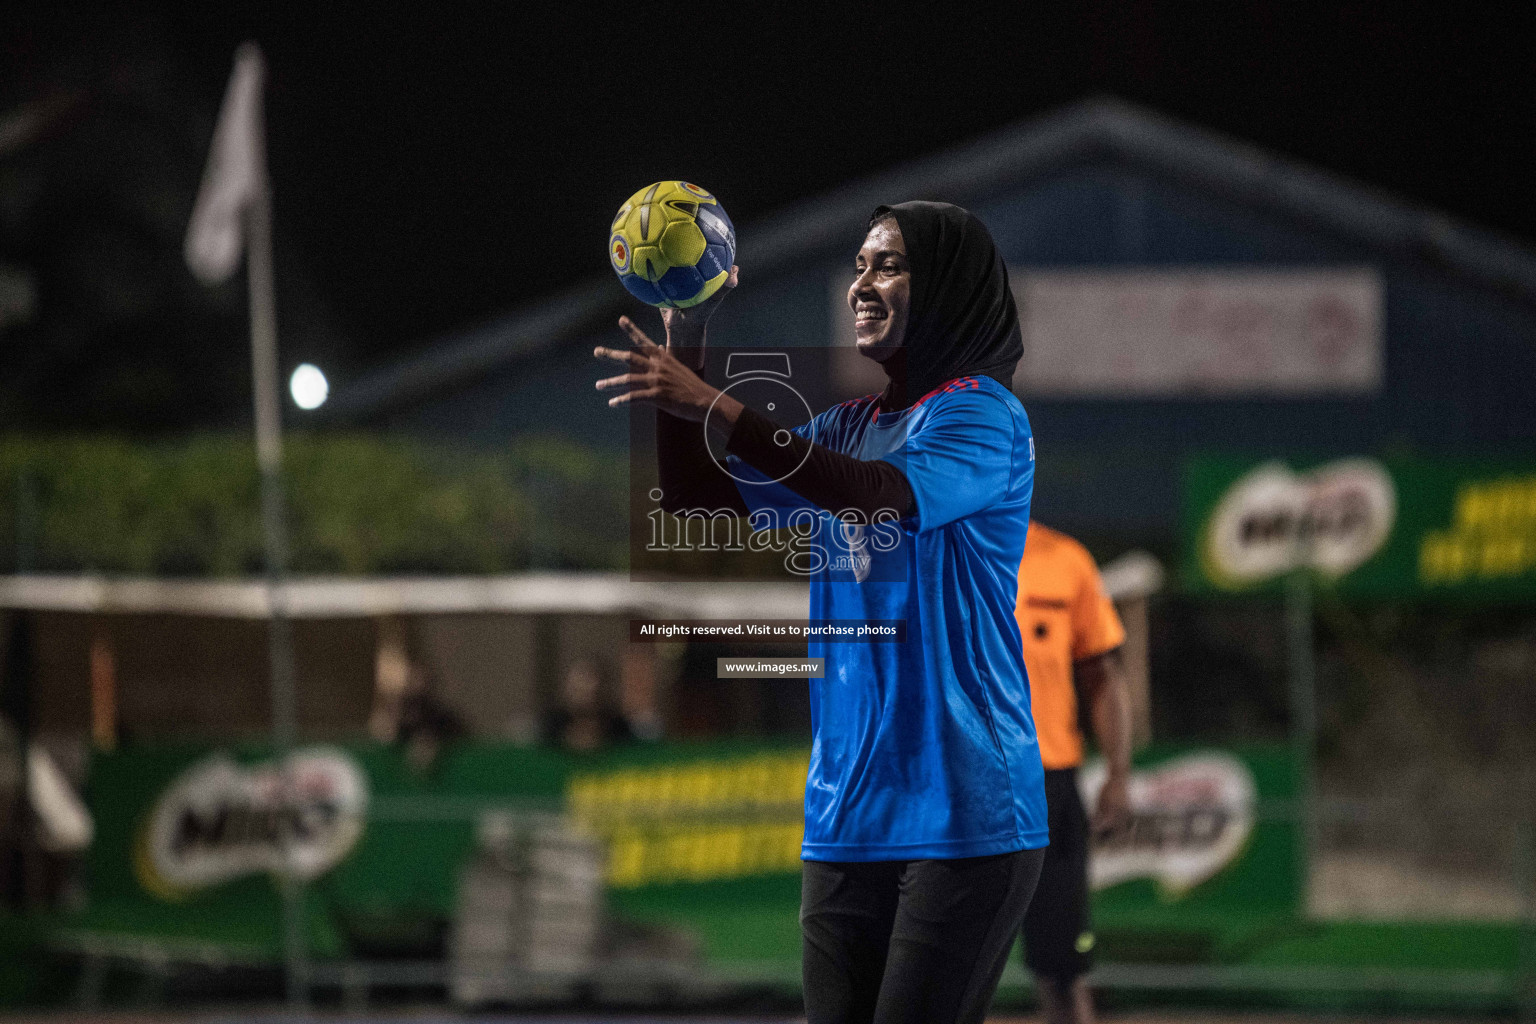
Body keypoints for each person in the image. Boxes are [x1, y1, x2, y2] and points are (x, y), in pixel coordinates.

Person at [595, 201, 1045, 1024]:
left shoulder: (982, 416)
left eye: (889, 265)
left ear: (945, 287)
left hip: (966, 807)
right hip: (846, 808)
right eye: (861, 265)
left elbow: (878, 493)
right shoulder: (846, 424)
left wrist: (717, 405)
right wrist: (686, 340)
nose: (862, 284)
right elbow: (701, 494)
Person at [1012, 522, 1133, 1024]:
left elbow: (1102, 675)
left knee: (1063, 962)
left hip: (1049, 782)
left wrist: (1118, 774)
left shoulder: (1065, 559)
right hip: (955, 781)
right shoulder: (926, 544)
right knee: (931, 960)